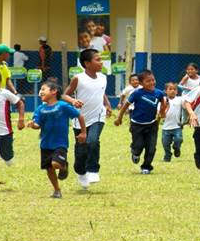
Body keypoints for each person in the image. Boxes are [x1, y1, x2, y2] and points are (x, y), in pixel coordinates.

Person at [28, 81, 87, 198]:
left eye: (43, 89)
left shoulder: (63, 106)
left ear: (54, 91)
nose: (40, 92)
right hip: (45, 144)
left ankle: (63, 165)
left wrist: (83, 132)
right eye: (40, 90)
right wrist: (32, 124)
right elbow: (37, 125)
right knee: (49, 169)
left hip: (60, 143)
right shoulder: (40, 109)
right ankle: (57, 190)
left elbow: (79, 116)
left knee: (55, 163)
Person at [62, 49, 111, 189]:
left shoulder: (103, 77)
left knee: (93, 141)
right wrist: (73, 101)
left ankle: (93, 170)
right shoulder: (78, 78)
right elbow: (64, 95)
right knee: (81, 152)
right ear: (87, 63)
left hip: (98, 116)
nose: (101, 62)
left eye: (101, 59)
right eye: (97, 59)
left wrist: (107, 105)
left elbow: (101, 92)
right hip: (80, 119)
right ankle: (81, 172)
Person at [114, 70, 166, 174]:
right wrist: (119, 117)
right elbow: (126, 105)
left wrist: (162, 111)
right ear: (141, 83)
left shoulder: (159, 93)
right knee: (138, 145)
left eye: (153, 80)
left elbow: (163, 101)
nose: (152, 83)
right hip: (137, 125)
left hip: (152, 124)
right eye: (148, 81)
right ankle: (135, 152)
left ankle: (146, 166)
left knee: (151, 147)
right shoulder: (137, 93)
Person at [161, 82, 183, 162]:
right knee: (165, 144)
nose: (172, 91)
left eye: (174, 89)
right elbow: (160, 114)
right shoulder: (163, 100)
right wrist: (165, 107)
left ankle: (176, 148)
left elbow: (186, 106)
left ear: (177, 91)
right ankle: (167, 155)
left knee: (179, 139)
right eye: (170, 89)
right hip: (166, 127)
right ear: (166, 91)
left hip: (177, 126)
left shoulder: (180, 99)